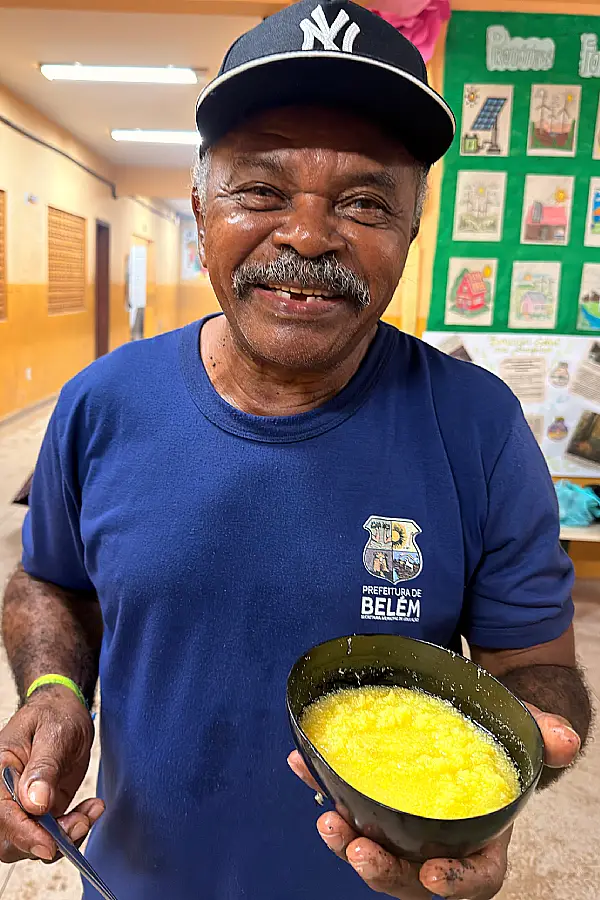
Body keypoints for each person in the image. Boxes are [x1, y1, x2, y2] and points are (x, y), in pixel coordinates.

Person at [0, 1, 591, 898]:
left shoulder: (478, 426)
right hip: (132, 878)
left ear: (411, 230)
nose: (309, 236)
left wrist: (499, 783)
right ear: (201, 207)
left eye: (364, 200)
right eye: (262, 191)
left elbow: (535, 668)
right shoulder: (103, 402)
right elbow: (50, 579)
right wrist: (55, 693)